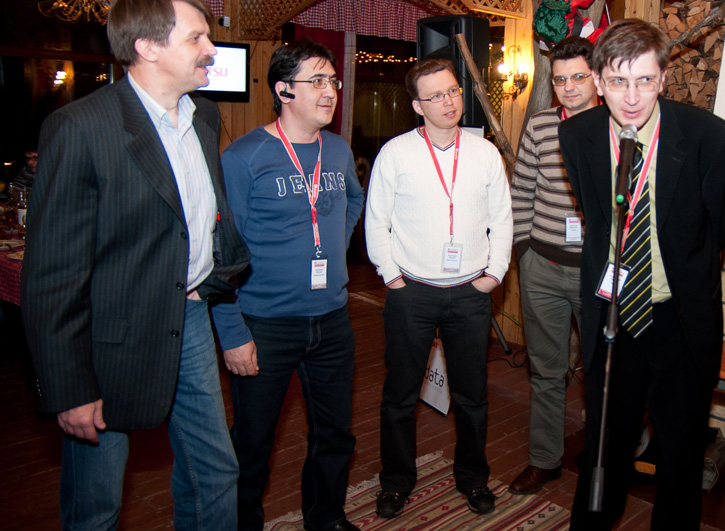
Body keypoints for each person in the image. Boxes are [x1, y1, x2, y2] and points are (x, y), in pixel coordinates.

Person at [20, 0, 250, 528]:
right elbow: (53, 275)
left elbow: (204, 215)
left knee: (216, 472)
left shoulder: (204, 116)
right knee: (97, 500)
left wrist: (211, 279)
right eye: (196, 38)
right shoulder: (79, 127)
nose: (211, 50)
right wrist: (70, 388)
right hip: (108, 335)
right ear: (147, 47)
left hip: (190, 317)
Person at [557, 18, 725, 530]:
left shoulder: (708, 135)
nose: (632, 96)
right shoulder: (576, 135)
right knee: (604, 447)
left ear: (662, 78)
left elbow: (721, 223)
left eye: (644, 80)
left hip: (679, 318)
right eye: (618, 81)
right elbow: (597, 216)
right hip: (613, 315)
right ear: (598, 82)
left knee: (680, 452)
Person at [210, 38, 363, 531]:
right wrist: (231, 332)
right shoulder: (245, 157)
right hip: (264, 324)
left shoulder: (337, 150)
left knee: (334, 434)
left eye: (333, 81)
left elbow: (353, 201)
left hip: (332, 320)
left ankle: (326, 518)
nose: (330, 91)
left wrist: (332, 245)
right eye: (317, 81)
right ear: (283, 91)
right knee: (253, 442)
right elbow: (221, 251)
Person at [365, 58, 513, 517]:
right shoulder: (395, 153)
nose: (448, 101)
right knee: (400, 396)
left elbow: (502, 219)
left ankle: (473, 478)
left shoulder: (484, 153)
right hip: (412, 292)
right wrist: (392, 277)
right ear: (417, 106)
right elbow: (376, 221)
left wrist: (495, 273)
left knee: (472, 396)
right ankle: (396, 482)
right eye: (435, 96)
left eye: (453, 91)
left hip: (470, 292)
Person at [507, 36, 599, 496]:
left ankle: (602, 460)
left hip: (596, 274)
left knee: (604, 372)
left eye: (578, 77)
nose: (568, 87)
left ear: (597, 77)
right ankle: (544, 460)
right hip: (541, 266)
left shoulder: (617, 126)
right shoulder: (542, 125)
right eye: (560, 80)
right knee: (546, 371)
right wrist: (524, 249)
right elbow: (522, 190)